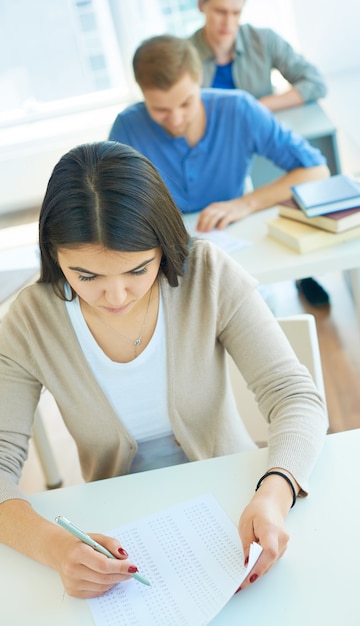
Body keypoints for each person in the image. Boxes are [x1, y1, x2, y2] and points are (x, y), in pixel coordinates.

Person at [0, 141, 327, 599]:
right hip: (118, 526)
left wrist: (275, 492)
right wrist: (55, 547)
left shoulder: (207, 274)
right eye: (87, 276)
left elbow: (294, 395)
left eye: (137, 269)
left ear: (164, 244)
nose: (116, 296)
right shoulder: (31, 320)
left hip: (236, 496)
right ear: (54, 256)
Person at [108, 35, 330, 313]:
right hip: (165, 266)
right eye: (160, 110)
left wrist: (244, 204)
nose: (175, 119)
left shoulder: (239, 109)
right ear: (142, 94)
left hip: (238, 252)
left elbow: (316, 170)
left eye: (186, 103)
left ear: (199, 77)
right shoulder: (127, 127)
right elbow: (113, 210)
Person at [189, 0, 330, 306]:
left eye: (236, 13)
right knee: (224, 216)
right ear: (201, 7)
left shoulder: (263, 40)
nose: (228, 21)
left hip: (257, 139)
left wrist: (257, 109)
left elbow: (314, 82)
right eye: (220, 11)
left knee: (286, 195)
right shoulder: (186, 54)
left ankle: (304, 274)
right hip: (217, 149)